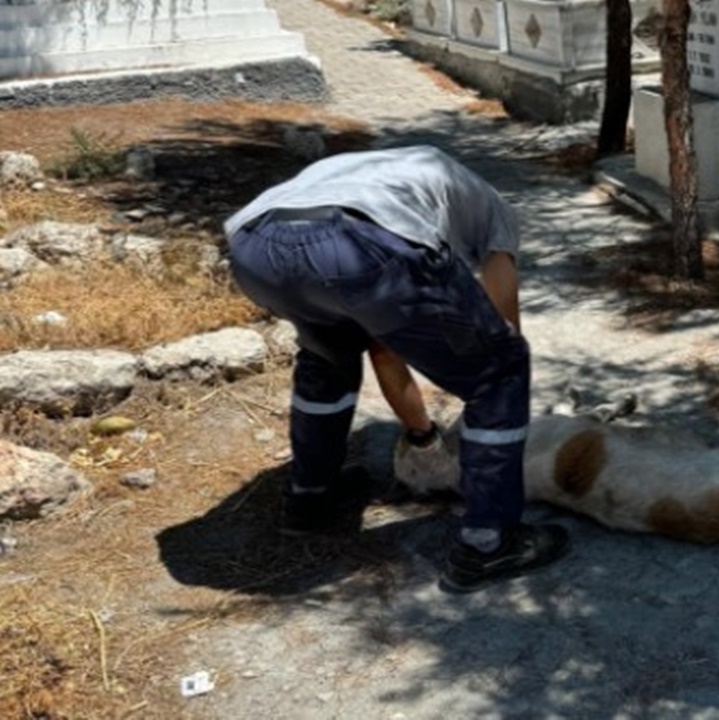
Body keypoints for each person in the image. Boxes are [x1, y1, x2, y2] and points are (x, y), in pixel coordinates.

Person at [224, 145, 569, 594]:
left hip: (253, 247)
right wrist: (495, 389)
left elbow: (383, 348)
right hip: (358, 243)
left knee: (328, 359)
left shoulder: (394, 174)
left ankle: (309, 500)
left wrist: (422, 435)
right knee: (501, 370)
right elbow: (503, 317)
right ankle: (489, 542)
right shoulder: (494, 211)